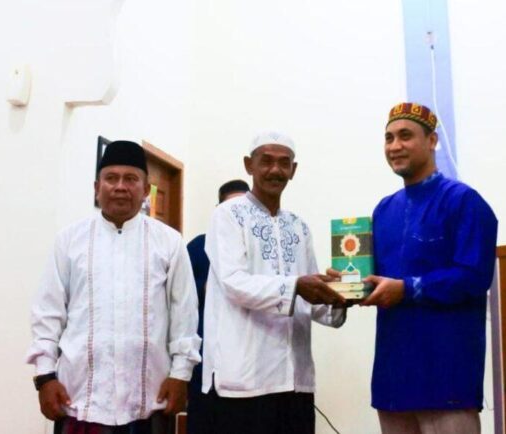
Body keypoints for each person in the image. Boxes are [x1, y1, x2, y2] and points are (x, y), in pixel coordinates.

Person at [27, 140, 201, 433]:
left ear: (146, 190)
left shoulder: (169, 243)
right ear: (97, 187)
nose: (120, 186)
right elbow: (48, 313)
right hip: (80, 400)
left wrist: (181, 375)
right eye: (111, 178)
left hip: (149, 401)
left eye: (131, 179)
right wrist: (45, 377)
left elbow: (184, 315)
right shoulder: (69, 241)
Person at [362, 103, 498, 434]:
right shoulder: (383, 210)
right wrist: (347, 285)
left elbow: (473, 277)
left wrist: (407, 288)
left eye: (405, 136)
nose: (395, 146)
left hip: (446, 380)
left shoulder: (464, 201)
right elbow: (378, 281)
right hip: (393, 381)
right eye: (389, 138)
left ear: (432, 140)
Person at [201, 131, 347, 434]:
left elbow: (310, 296)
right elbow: (233, 283)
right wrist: (296, 286)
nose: (275, 170)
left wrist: (341, 296)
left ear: (294, 170)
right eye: (266, 161)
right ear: (248, 165)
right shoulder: (227, 215)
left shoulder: (299, 226)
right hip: (245, 379)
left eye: (284, 163)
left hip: (295, 379)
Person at [186, 179, 250, 434]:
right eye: (228, 208)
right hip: (205, 369)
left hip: (249, 370)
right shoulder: (198, 249)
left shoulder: (259, 249)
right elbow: (183, 307)